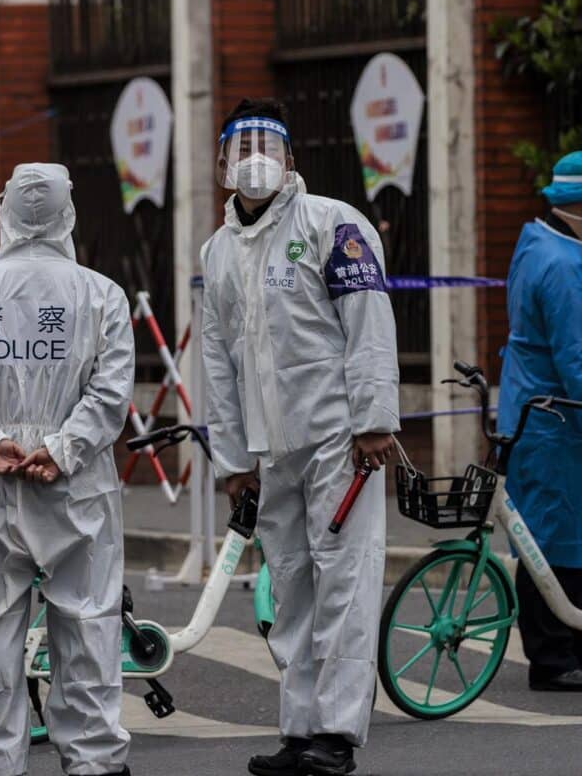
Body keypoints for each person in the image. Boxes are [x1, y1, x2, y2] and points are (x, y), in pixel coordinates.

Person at [201, 98, 399, 776]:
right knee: (290, 588)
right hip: (269, 449)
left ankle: (337, 736)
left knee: (345, 583)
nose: (255, 158)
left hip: (339, 441)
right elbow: (217, 364)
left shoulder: (333, 225)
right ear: (220, 162)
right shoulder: (218, 252)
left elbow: (368, 323)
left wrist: (374, 421)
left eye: (269, 145)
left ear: (292, 160)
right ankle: (299, 731)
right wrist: (232, 462)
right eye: (242, 145)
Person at [0, 163, 134, 776]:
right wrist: (63, 447)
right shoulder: (101, 296)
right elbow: (111, 392)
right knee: (88, 622)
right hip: (76, 483)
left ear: (4, 211)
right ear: (70, 214)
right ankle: (94, 758)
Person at [499, 151, 582, 692]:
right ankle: (552, 657)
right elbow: (577, 357)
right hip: (562, 420)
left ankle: (574, 642)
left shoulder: (541, 245)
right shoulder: (565, 266)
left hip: (543, 415)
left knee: (558, 537)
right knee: (552, 539)